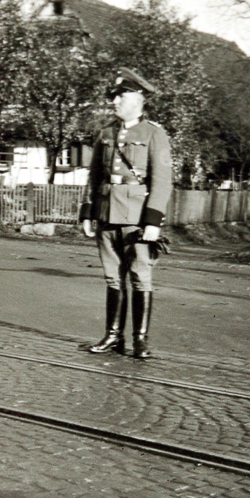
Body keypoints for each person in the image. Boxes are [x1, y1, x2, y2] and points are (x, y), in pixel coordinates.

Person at [79, 68, 172, 359]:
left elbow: (162, 181)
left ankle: (140, 339)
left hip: (137, 218)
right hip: (107, 214)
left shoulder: (154, 134)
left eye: (121, 96)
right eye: (115, 96)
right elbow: (94, 177)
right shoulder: (106, 133)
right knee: (112, 277)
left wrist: (153, 221)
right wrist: (87, 213)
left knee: (140, 276)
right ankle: (113, 336)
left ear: (139, 99)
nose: (115, 101)